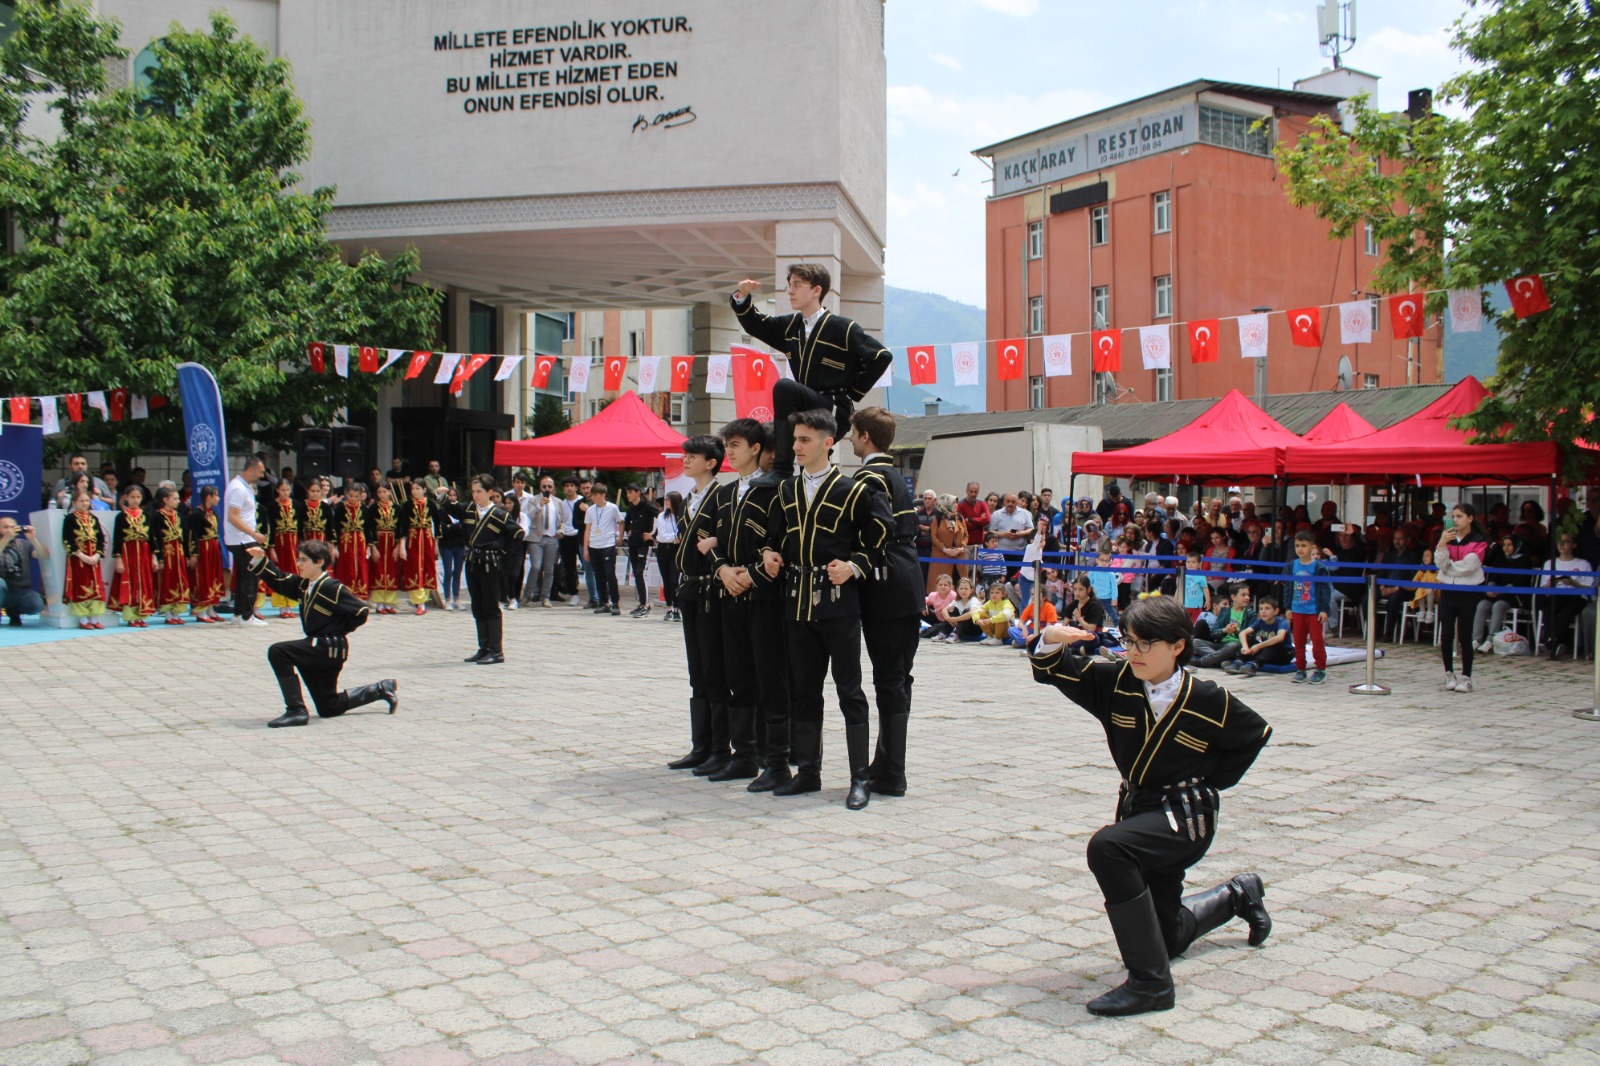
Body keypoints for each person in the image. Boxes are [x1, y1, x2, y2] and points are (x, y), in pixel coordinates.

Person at [1029, 595, 1272, 1017]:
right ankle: (1237, 895)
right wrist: (1051, 636)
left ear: (1178, 645)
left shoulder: (1209, 698)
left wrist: (1211, 781)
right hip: (1138, 810)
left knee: (1108, 848)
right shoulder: (1116, 682)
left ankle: (1152, 985)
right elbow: (1051, 669)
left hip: (1184, 816)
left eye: (1146, 644)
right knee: (1166, 938)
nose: (1134, 653)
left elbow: (1255, 735)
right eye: (1129, 641)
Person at [760, 409, 884, 809]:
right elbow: (772, 535)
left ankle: (859, 779)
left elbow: (882, 536)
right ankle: (808, 774)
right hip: (796, 602)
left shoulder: (853, 489)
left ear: (827, 443)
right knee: (804, 693)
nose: (795, 446)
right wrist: (767, 553)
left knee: (850, 692)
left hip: (838, 604)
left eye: (804, 440)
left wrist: (854, 565)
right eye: (794, 439)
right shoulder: (785, 491)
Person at [730, 265, 892, 488]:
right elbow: (756, 325)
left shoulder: (842, 327)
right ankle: (794, 475)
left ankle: (782, 468)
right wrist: (743, 296)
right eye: (789, 285)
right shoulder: (791, 326)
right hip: (807, 407)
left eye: (796, 285)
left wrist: (853, 392)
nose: (790, 291)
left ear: (817, 290)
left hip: (834, 407)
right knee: (771, 427)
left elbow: (881, 356)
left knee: (784, 387)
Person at [711, 419, 789, 789]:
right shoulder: (725, 492)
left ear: (757, 449)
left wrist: (749, 577)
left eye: (737, 444)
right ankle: (742, 755)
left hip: (764, 598)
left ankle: (774, 760)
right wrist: (724, 571)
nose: (729, 450)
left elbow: (780, 544)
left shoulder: (774, 490)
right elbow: (716, 544)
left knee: (769, 679)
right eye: (727, 444)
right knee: (737, 677)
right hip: (731, 595)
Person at [244, 541, 397, 728]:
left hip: (327, 647)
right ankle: (380, 689)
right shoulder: (303, 585)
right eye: (298, 559)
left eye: (303, 560)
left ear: (319, 561)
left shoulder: (332, 587)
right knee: (328, 707)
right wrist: (260, 559)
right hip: (321, 648)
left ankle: (296, 710)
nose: (298, 564)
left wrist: (335, 632)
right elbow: (278, 580)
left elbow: (360, 612)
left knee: (278, 651)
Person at [849, 407, 922, 800]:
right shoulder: (897, 474)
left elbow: (873, 531)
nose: (849, 438)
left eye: (852, 432)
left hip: (885, 583)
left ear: (864, 436)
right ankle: (887, 763)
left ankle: (892, 772)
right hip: (907, 581)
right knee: (899, 678)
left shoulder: (868, 475)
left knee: (889, 680)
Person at [667, 435, 731, 773]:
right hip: (690, 590)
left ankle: (721, 748)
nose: (686, 459)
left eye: (694, 455)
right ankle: (700, 745)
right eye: (686, 454)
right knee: (697, 672)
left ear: (711, 462)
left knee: (714, 670)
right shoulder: (688, 499)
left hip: (713, 592)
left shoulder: (722, 496)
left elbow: (731, 537)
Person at [446, 475, 519, 664]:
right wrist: (442, 497)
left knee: (490, 606)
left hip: (490, 564)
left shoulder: (499, 515)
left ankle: (496, 650)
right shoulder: (469, 509)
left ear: (490, 492)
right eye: (473, 491)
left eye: (479, 491)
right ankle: (484, 647)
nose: (475, 495)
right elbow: (450, 509)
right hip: (472, 562)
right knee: (477, 606)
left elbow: (517, 534)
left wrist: (502, 552)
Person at [1435, 503, 1490, 691]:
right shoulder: (1448, 538)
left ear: (1470, 518)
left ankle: (1467, 677)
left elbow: (1470, 566)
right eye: (1454, 516)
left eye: (1459, 516)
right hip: (1448, 592)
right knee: (1446, 634)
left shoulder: (1479, 540)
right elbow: (1440, 563)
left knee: (1465, 635)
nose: (1456, 520)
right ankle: (1448, 673)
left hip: (1467, 592)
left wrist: (1451, 567)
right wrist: (1442, 544)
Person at [224, 455, 269, 625]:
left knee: (245, 576)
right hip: (242, 539)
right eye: (260, 471)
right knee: (251, 576)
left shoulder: (244, 486)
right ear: (250, 470)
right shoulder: (238, 488)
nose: (262, 475)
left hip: (243, 538)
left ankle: (238, 615)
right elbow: (233, 517)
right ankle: (246, 616)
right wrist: (254, 534)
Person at [1538, 530, 1595, 660]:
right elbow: (1543, 587)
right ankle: (1554, 642)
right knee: (1548, 608)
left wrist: (1573, 583)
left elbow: (1589, 587)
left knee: (1566, 612)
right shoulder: (1549, 563)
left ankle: (1550, 641)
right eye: (1560, 541)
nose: (1562, 544)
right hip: (1556, 594)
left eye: (1566, 542)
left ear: (1574, 545)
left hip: (1575, 597)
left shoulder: (1583, 564)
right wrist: (1552, 582)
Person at [1473, 533, 1534, 651]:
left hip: (1515, 596)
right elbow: (1493, 578)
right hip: (1497, 593)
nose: (1506, 548)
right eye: (1504, 545)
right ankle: (1476, 640)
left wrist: (1500, 591)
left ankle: (1491, 640)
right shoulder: (1500, 559)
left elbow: (1519, 581)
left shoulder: (1524, 561)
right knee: (1482, 605)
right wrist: (1491, 588)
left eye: (1510, 545)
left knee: (1498, 606)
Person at [1286, 530, 1331, 684]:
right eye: (1297, 545)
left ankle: (1320, 669)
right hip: (1297, 610)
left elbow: (1325, 590)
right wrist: (1287, 607)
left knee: (1317, 640)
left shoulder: (1318, 567)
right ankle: (1300, 669)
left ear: (1312, 547)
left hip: (1314, 611)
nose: (1300, 549)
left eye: (1304, 545)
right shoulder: (1292, 565)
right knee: (1298, 641)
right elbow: (1288, 587)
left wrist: (1324, 609)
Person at [108, 485, 157, 627]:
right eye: (132, 497)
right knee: (129, 583)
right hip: (128, 553)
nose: (135, 500)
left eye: (138, 497)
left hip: (144, 553)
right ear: (126, 498)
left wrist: (154, 557)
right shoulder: (121, 517)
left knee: (143, 583)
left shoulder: (147, 515)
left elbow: (152, 538)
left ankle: (142, 614)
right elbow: (117, 539)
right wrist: (118, 559)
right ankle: (130, 616)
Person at [61, 493, 107, 628]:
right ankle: (83, 619)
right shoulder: (70, 519)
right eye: (81, 500)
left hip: (94, 559)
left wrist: (97, 555)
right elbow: (67, 540)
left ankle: (94, 618)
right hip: (78, 559)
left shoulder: (94, 518)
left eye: (87, 500)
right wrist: (83, 556)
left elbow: (100, 539)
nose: (85, 503)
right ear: (74, 502)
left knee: (96, 586)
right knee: (80, 585)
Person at [398, 479, 441, 616]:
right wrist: (402, 546)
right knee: (413, 567)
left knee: (427, 567)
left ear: (424, 489)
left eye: (417, 488)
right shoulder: (407, 505)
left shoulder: (431, 504)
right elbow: (403, 527)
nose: (415, 491)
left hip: (427, 539)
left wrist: (436, 546)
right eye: (413, 489)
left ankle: (423, 600)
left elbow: (438, 524)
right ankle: (420, 602)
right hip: (413, 539)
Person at [519, 476, 563, 609]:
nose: (547, 489)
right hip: (536, 539)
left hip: (552, 538)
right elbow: (528, 517)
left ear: (554, 488)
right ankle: (527, 595)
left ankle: (546, 597)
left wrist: (560, 532)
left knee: (549, 569)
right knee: (536, 567)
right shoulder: (533, 500)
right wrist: (539, 506)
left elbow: (563, 521)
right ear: (540, 487)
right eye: (544, 486)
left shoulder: (558, 502)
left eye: (550, 486)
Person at [184, 485, 225, 623]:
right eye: (216, 495)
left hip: (213, 548)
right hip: (203, 548)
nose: (218, 498)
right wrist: (193, 554)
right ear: (209, 497)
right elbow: (192, 535)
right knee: (203, 577)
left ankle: (211, 609)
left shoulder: (213, 513)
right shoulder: (197, 514)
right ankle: (201, 611)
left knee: (213, 577)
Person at [150, 487, 191, 625]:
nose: (178, 501)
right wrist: (159, 558)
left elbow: (184, 536)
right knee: (167, 581)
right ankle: (167, 613)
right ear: (165, 500)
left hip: (178, 552)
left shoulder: (178, 515)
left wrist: (186, 555)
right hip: (167, 552)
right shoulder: (157, 516)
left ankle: (176, 612)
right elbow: (155, 538)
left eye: (178, 498)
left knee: (180, 581)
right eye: (175, 499)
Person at [582, 482, 623, 616]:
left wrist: (620, 537)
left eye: (595, 495)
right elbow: (587, 529)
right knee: (598, 575)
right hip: (594, 545)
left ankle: (615, 603)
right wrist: (586, 548)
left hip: (607, 544)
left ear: (602, 495)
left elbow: (621, 522)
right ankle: (603, 602)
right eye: (592, 495)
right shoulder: (590, 510)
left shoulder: (612, 508)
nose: (593, 498)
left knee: (610, 574)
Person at [1191, 583, 1254, 670]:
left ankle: (1200, 662)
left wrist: (1237, 632)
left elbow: (1251, 637)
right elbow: (1213, 634)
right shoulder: (1225, 612)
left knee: (1233, 645)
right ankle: (1221, 660)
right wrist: (1225, 630)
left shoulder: (1250, 614)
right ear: (1233, 597)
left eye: (1248, 595)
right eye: (1243, 595)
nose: (1247, 598)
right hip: (1220, 644)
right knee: (1196, 642)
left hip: (1236, 647)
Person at [1376, 527, 1423, 642]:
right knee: (1367, 598)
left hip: (1403, 589)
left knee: (1393, 600)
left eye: (1400, 539)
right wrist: (1382, 587)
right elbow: (1381, 574)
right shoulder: (1389, 555)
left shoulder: (1413, 556)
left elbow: (1412, 578)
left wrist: (1395, 588)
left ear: (1407, 540)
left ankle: (1388, 634)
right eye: (1395, 539)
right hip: (1386, 587)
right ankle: (1375, 631)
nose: (1396, 541)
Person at [0, 517, 48, 624]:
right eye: (5, 527)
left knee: (36, 605)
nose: (10, 530)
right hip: (2, 589)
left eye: (13, 527)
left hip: (20, 590)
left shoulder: (24, 544)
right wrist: (5, 539)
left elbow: (44, 556)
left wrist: (33, 539)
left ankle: (14, 612)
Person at [265, 479, 301, 620]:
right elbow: (271, 529)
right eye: (283, 490)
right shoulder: (272, 506)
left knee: (292, 571)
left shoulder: (296, 505)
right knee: (280, 572)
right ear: (277, 490)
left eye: (288, 490)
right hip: (280, 543)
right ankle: (281, 606)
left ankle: (290, 605)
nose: (286, 493)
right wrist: (271, 548)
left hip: (293, 542)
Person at [366, 483, 403, 615]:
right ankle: (379, 604)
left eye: (384, 491)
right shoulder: (373, 508)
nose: (382, 494)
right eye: (379, 492)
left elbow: (400, 529)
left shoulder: (397, 508)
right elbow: (369, 528)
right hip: (379, 543)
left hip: (392, 543)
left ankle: (389, 603)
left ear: (389, 492)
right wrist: (373, 548)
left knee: (392, 571)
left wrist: (398, 546)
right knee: (378, 571)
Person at [622, 484, 659, 617]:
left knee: (641, 572)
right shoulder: (631, 508)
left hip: (645, 544)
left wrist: (653, 535)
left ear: (638, 493)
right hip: (633, 544)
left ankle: (646, 605)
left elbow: (662, 517)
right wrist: (628, 531)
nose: (628, 495)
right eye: (627, 493)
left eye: (630, 492)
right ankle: (642, 603)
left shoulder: (647, 506)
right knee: (636, 574)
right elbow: (626, 522)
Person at [927, 494, 968, 593]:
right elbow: (933, 536)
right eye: (953, 502)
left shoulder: (959, 517)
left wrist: (962, 547)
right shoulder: (938, 517)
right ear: (946, 504)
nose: (956, 505)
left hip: (959, 557)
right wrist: (945, 549)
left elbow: (966, 535)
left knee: (959, 583)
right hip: (942, 556)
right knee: (941, 584)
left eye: (956, 502)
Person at [435, 485, 466, 611]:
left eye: (454, 495)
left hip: (459, 545)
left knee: (457, 572)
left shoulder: (461, 508)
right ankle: (447, 599)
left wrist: (452, 527)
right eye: (450, 495)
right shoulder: (442, 510)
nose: (452, 498)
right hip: (446, 545)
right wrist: (455, 527)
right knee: (448, 572)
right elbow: (442, 527)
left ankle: (457, 599)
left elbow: (464, 525)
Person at [654, 492, 682, 622]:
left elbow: (681, 532)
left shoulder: (681, 515)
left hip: (676, 550)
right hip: (663, 549)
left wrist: (677, 538)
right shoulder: (661, 516)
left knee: (674, 579)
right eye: (665, 500)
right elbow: (662, 535)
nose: (665, 502)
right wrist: (675, 538)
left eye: (668, 500)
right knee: (665, 579)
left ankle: (677, 608)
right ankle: (669, 608)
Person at [956, 482, 991, 556]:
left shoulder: (982, 503)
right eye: (971, 491)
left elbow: (987, 519)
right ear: (966, 491)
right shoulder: (960, 505)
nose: (973, 494)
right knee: (966, 567)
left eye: (976, 492)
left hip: (979, 542)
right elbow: (962, 524)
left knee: (978, 567)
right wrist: (980, 522)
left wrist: (971, 520)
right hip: (965, 543)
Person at [914, 489, 938, 584]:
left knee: (932, 574)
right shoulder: (918, 513)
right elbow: (916, 526)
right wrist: (929, 529)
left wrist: (922, 527)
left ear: (935, 500)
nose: (927, 501)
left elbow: (937, 530)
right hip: (920, 547)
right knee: (921, 573)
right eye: (925, 498)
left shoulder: (938, 514)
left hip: (933, 547)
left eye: (930, 498)